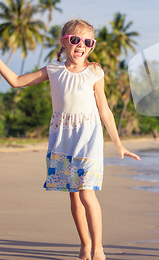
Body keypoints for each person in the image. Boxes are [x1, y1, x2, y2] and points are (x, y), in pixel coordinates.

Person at [0, 19, 140, 260]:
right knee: (73, 194)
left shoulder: (95, 71)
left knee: (87, 193)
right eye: (75, 40)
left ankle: (98, 249)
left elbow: (104, 109)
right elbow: (16, 81)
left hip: (88, 138)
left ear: (92, 46)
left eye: (88, 42)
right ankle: (84, 245)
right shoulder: (53, 70)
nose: (81, 45)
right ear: (64, 42)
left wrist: (119, 143)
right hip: (62, 138)